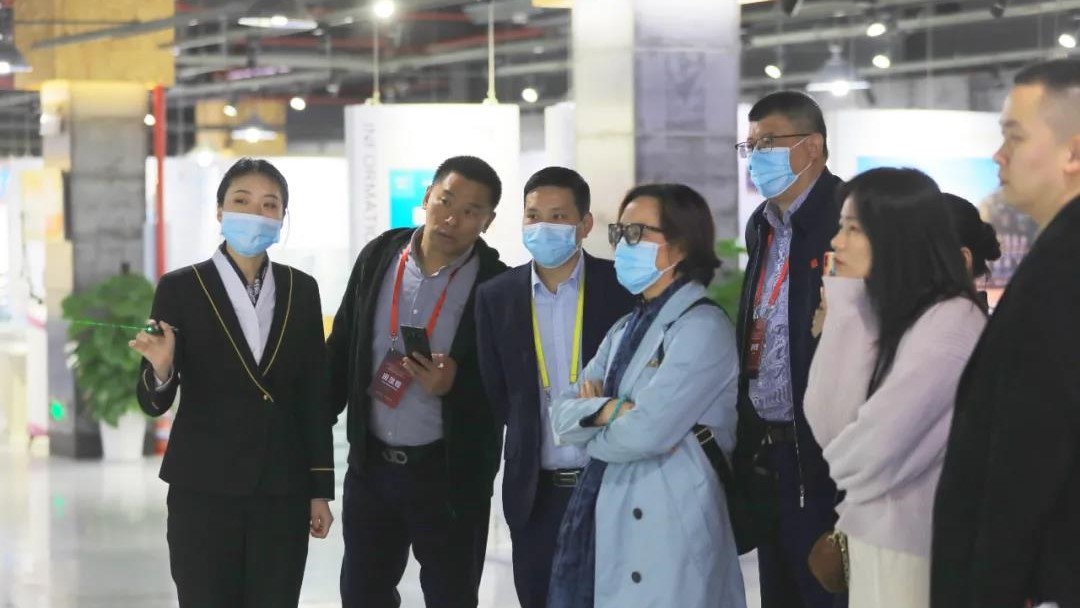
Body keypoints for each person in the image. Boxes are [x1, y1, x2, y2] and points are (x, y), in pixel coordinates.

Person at [131, 158, 335, 607]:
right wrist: (162, 369)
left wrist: (319, 489)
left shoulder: (301, 290)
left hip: (282, 487)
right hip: (204, 486)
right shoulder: (181, 288)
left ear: (282, 217)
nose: (256, 214)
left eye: (269, 205)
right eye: (242, 201)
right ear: (220, 211)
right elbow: (151, 401)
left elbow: (313, 395)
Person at [546, 183, 746, 608]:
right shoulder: (624, 329)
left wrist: (591, 421)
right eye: (619, 233)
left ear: (681, 245)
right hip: (610, 510)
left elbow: (646, 433)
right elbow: (560, 414)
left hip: (671, 523)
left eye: (636, 233)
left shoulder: (702, 328)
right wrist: (612, 410)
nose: (623, 244)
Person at [326, 155, 508, 608]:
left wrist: (455, 385)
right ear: (427, 198)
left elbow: (507, 389)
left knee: (451, 596)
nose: (452, 219)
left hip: (449, 477)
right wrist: (309, 454)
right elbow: (342, 346)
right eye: (445, 201)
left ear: (487, 222)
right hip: (371, 469)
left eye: (470, 211)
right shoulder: (378, 257)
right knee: (362, 594)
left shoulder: (497, 286)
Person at [932, 58, 1080, 608]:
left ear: (1073, 153)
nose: (999, 155)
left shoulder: (1065, 270)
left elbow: (1032, 455)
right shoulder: (1056, 257)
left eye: (1014, 137)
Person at [803, 168, 987, 606]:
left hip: (917, 549)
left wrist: (848, 308)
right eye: (841, 227)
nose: (837, 242)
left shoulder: (952, 324)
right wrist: (847, 305)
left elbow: (867, 458)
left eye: (853, 229)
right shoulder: (889, 316)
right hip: (876, 539)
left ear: (897, 234)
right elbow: (828, 426)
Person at [474, 167, 633, 608]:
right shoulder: (496, 297)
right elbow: (496, 394)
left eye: (558, 216)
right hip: (535, 495)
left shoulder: (621, 287)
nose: (543, 227)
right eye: (533, 216)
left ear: (585, 224)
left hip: (610, 483)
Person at [733, 90, 844, 608]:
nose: (756, 156)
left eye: (769, 143)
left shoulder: (845, 217)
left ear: (811, 147)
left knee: (826, 588)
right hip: (770, 451)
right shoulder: (762, 224)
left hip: (825, 454)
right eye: (751, 145)